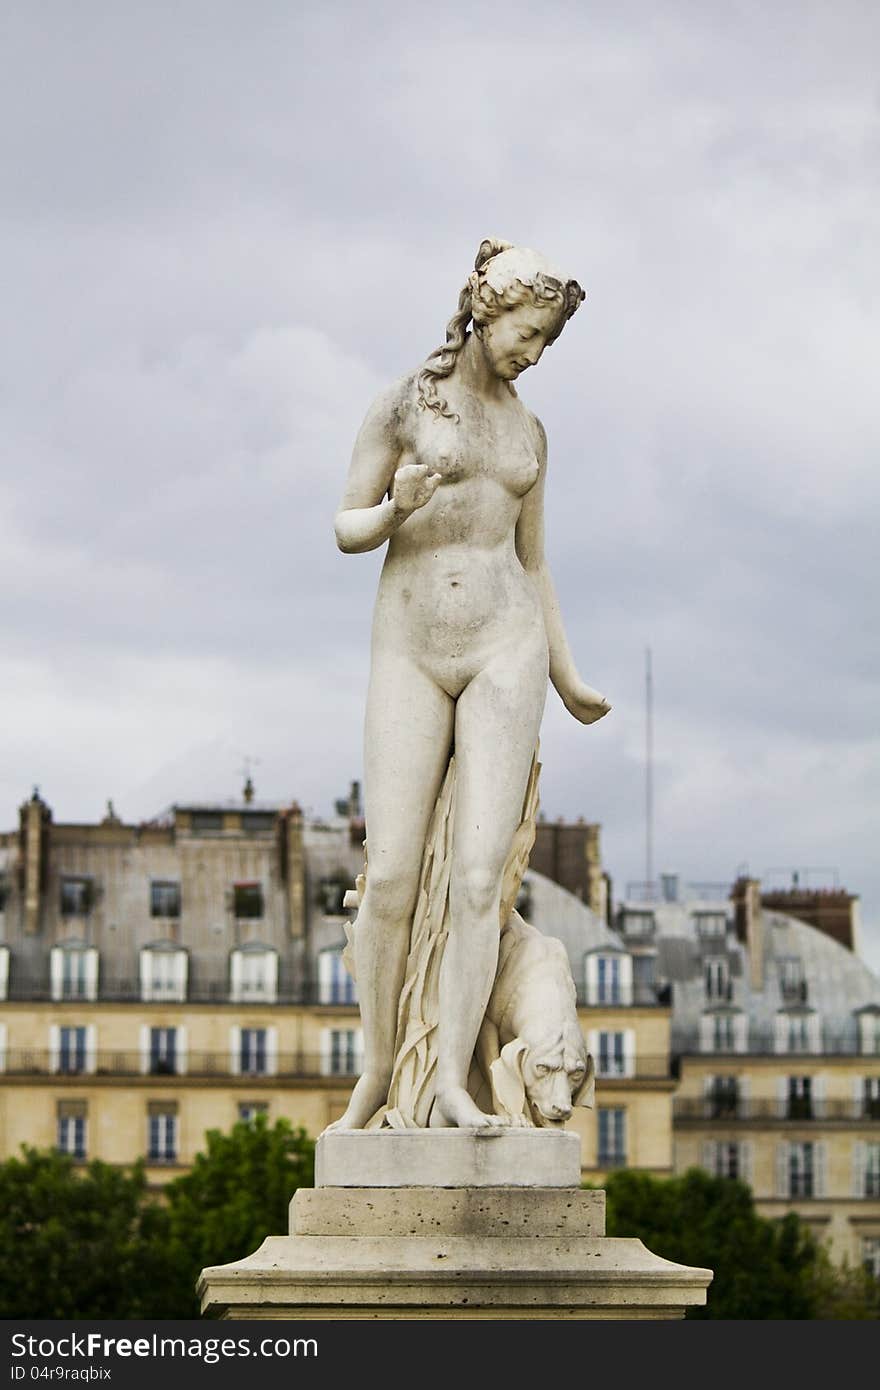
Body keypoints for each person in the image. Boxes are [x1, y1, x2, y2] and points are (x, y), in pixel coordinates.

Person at [331, 238, 611, 1130]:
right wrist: (394, 508)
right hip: (410, 643)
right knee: (390, 878)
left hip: (507, 645)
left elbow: (536, 564)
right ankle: (378, 1072)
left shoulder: (530, 432)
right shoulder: (404, 404)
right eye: (529, 334)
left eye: (546, 344)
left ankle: (452, 1077)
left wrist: (567, 677)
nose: (534, 354)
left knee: (482, 879)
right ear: (487, 314)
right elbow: (344, 525)